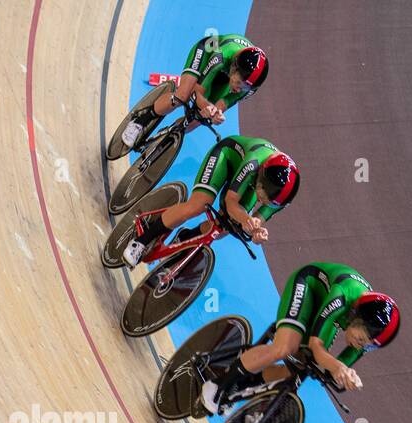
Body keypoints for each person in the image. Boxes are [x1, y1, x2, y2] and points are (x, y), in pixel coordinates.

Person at [201, 263, 400, 415]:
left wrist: (347, 376)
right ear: (355, 318)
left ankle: (241, 384)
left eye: (368, 346)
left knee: (299, 368)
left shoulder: (369, 335)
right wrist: (338, 367)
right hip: (308, 286)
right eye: (361, 339)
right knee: (285, 348)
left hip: (328, 311)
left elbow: (330, 371)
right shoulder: (344, 295)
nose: (360, 346)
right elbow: (316, 345)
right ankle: (218, 384)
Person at [121, 135, 298, 267]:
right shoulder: (254, 163)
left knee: (224, 228)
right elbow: (231, 202)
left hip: (249, 182)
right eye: (263, 194)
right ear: (262, 176)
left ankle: (186, 237)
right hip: (226, 158)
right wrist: (246, 220)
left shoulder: (279, 199)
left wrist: (256, 231)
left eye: (268, 202)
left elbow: (257, 220)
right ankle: (142, 241)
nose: (262, 200)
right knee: (197, 205)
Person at [119, 36, 269, 148]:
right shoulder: (222, 56)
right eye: (237, 84)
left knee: (200, 119)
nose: (238, 89)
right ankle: (141, 119)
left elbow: (223, 103)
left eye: (243, 88)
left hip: (225, 75)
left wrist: (215, 113)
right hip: (207, 52)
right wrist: (205, 104)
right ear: (234, 68)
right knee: (182, 96)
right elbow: (197, 93)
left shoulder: (250, 86)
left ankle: (166, 139)